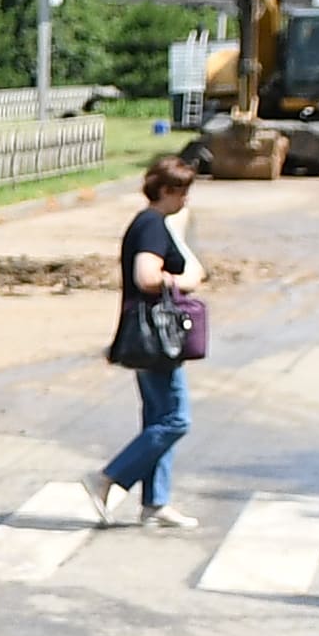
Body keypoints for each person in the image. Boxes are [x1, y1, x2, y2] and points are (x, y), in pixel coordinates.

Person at [96, 155, 204, 529]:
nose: (186, 200)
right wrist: (183, 282)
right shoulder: (153, 225)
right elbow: (146, 276)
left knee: (158, 419)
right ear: (166, 191)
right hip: (154, 337)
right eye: (182, 192)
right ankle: (110, 477)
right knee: (176, 419)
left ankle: (155, 502)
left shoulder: (150, 223)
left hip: (145, 335)